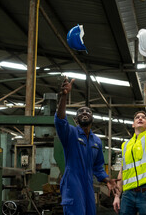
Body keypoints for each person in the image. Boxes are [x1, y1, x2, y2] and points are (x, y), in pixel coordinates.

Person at [55, 77, 120, 215]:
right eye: (81, 112)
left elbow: (98, 167)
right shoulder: (71, 134)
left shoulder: (96, 141)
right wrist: (64, 97)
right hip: (72, 183)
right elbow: (60, 120)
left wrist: (107, 179)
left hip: (88, 186)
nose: (84, 113)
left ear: (92, 119)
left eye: (88, 112)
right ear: (77, 119)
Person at [113, 82, 146, 215]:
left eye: (143, 117)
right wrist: (117, 196)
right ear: (133, 125)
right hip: (128, 194)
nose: (140, 118)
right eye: (137, 117)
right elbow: (122, 172)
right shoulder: (125, 145)